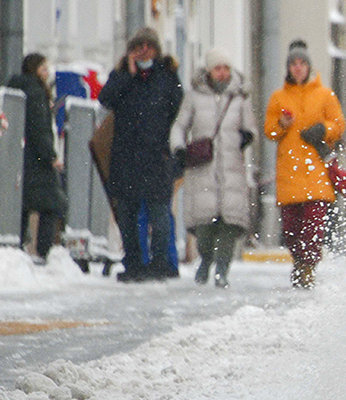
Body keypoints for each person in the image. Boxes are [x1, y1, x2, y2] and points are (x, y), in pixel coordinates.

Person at [100, 27, 184, 282]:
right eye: (138, 47)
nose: (144, 51)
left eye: (149, 46)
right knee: (126, 216)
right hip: (126, 159)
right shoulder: (122, 76)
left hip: (157, 158)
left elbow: (176, 111)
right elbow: (106, 98)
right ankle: (133, 264)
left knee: (159, 217)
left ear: (157, 51)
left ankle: (159, 263)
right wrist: (127, 75)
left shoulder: (167, 77)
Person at [264, 39, 346, 289]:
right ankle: (299, 262)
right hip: (289, 174)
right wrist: (282, 126)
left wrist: (323, 129)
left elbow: (339, 125)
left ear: (309, 66)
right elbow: (269, 130)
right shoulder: (279, 98)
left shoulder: (324, 95)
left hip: (316, 174)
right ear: (288, 68)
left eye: (302, 63)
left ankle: (308, 267)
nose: (298, 68)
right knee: (291, 230)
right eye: (293, 64)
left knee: (313, 228)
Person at [170, 48, 254, 287]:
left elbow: (250, 127)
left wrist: (247, 136)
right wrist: (179, 148)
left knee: (230, 224)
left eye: (226, 68)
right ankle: (206, 259)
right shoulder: (194, 96)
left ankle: (222, 270)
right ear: (208, 71)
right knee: (205, 226)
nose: (222, 73)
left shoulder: (239, 97)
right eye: (217, 68)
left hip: (231, 168)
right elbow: (179, 126)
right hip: (202, 168)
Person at [6, 53, 68, 262]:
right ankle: (44, 251)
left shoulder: (18, 88)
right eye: (43, 69)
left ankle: (17, 245)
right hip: (37, 158)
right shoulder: (35, 92)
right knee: (51, 204)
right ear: (33, 70)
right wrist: (50, 155)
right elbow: (39, 126)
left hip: (22, 155)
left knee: (23, 203)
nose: (47, 73)